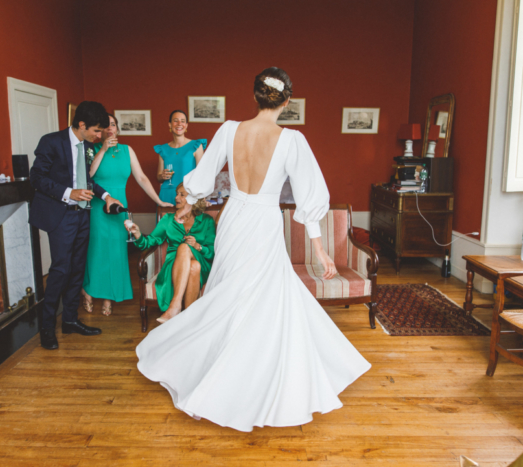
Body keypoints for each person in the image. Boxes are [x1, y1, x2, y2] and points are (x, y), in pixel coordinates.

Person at [134, 68, 371, 432]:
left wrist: (187, 203)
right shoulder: (292, 140)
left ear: (255, 96)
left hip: (234, 219)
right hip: (263, 221)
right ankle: (248, 377)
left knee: (232, 292)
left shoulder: (229, 130)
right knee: (260, 297)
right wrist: (320, 250)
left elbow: (199, 180)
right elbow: (310, 198)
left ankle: (224, 368)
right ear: (287, 102)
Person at [29, 101, 122, 350]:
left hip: (83, 215)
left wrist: (106, 196)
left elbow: (88, 180)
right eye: (96, 130)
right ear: (81, 125)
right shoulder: (51, 142)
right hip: (60, 214)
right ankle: (47, 327)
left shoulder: (88, 146)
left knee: (77, 268)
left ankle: (70, 320)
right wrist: (69, 193)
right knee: (60, 270)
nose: (99, 135)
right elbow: (36, 178)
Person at [82, 113, 172, 316]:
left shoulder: (127, 150)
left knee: (116, 252)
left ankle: (108, 296)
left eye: (113, 124)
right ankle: (88, 290)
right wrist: (103, 149)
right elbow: (88, 176)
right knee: (95, 251)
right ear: (100, 130)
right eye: (105, 126)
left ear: (117, 128)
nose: (110, 128)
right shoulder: (92, 149)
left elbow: (141, 177)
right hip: (98, 207)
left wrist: (158, 200)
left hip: (120, 208)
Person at [128, 183, 215, 323]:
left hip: (202, 261)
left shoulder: (207, 221)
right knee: (194, 266)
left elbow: (211, 253)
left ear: (193, 199)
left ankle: (175, 306)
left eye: (182, 195)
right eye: (176, 193)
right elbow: (148, 243)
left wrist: (198, 246)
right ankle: (187, 320)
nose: (176, 197)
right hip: (173, 265)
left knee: (186, 249)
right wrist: (138, 234)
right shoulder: (168, 219)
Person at [155, 110, 206, 204]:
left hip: (188, 195)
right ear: (169, 125)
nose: (179, 124)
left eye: (182, 121)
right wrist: (162, 176)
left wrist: (202, 198)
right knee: (166, 219)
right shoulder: (162, 149)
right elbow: (159, 177)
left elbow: (201, 175)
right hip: (167, 194)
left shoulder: (196, 145)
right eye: (175, 120)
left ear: (186, 125)